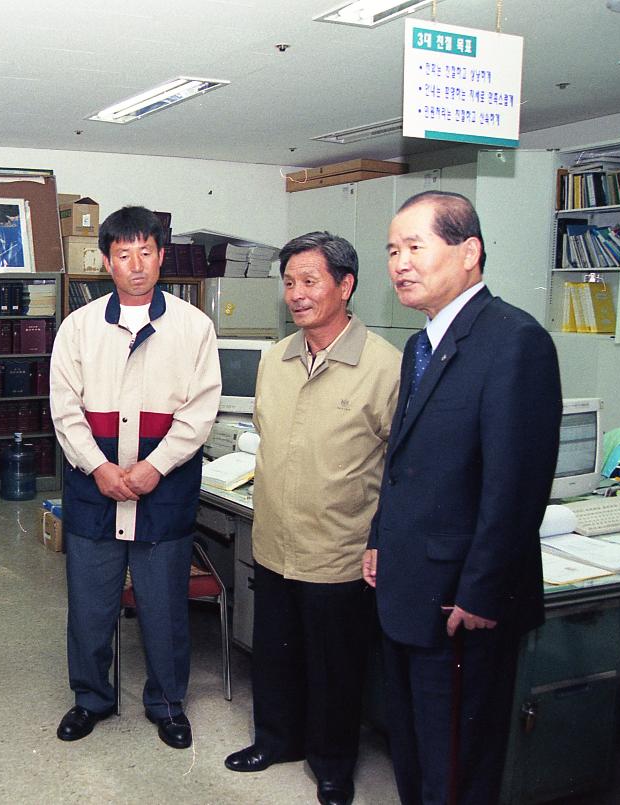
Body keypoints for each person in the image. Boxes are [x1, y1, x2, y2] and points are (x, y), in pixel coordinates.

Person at [366, 191, 562, 805]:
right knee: (415, 749)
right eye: (393, 250)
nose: (400, 263)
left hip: (461, 603)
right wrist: (378, 539)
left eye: (415, 247)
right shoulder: (421, 345)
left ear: (469, 251)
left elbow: (516, 487)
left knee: (455, 764)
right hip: (408, 585)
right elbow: (405, 462)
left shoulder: (513, 341)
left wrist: (480, 592)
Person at [223, 232, 400, 805]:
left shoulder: (386, 368)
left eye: (310, 281)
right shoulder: (276, 360)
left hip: (340, 552)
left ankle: (332, 764)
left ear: (345, 286)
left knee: (334, 670)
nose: (296, 294)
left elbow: (403, 470)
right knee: (274, 655)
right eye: (290, 282)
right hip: (275, 540)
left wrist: (382, 541)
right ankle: (276, 739)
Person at [49, 205, 221, 749]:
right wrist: (98, 467)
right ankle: (91, 699)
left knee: (164, 607)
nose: (136, 264)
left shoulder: (194, 327)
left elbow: (199, 411)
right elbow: (65, 409)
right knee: (91, 605)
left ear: (161, 256)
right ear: (107, 261)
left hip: (163, 492)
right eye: (124, 255)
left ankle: (168, 704)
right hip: (92, 491)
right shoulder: (78, 327)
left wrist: (155, 466)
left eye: (146, 252)